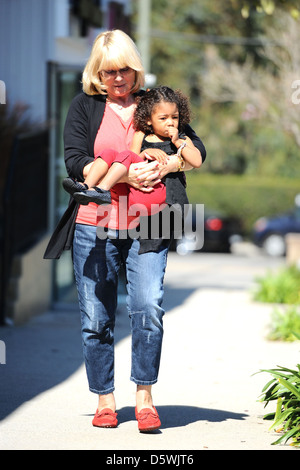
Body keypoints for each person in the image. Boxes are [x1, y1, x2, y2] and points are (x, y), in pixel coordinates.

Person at [44, 29, 206, 432]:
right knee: (96, 318)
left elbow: (193, 147)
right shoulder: (84, 106)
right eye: (109, 71)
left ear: (136, 69)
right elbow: (74, 158)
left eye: (125, 70)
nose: (118, 78)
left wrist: (167, 164)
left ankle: (145, 398)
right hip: (96, 221)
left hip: (152, 221)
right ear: (97, 73)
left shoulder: (155, 102)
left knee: (148, 308)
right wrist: (125, 176)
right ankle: (104, 400)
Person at [62, 86, 202, 221]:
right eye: (163, 118)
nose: (170, 123)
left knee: (155, 241)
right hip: (138, 194)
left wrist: (177, 142)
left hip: (160, 195)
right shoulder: (142, 134)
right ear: (149, 119)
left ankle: (103, 189)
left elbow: (197, 162)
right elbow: (132, 159)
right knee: (109, 153)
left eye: (175, 117)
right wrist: (146, 152)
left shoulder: (183, 138)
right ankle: (87, 188)